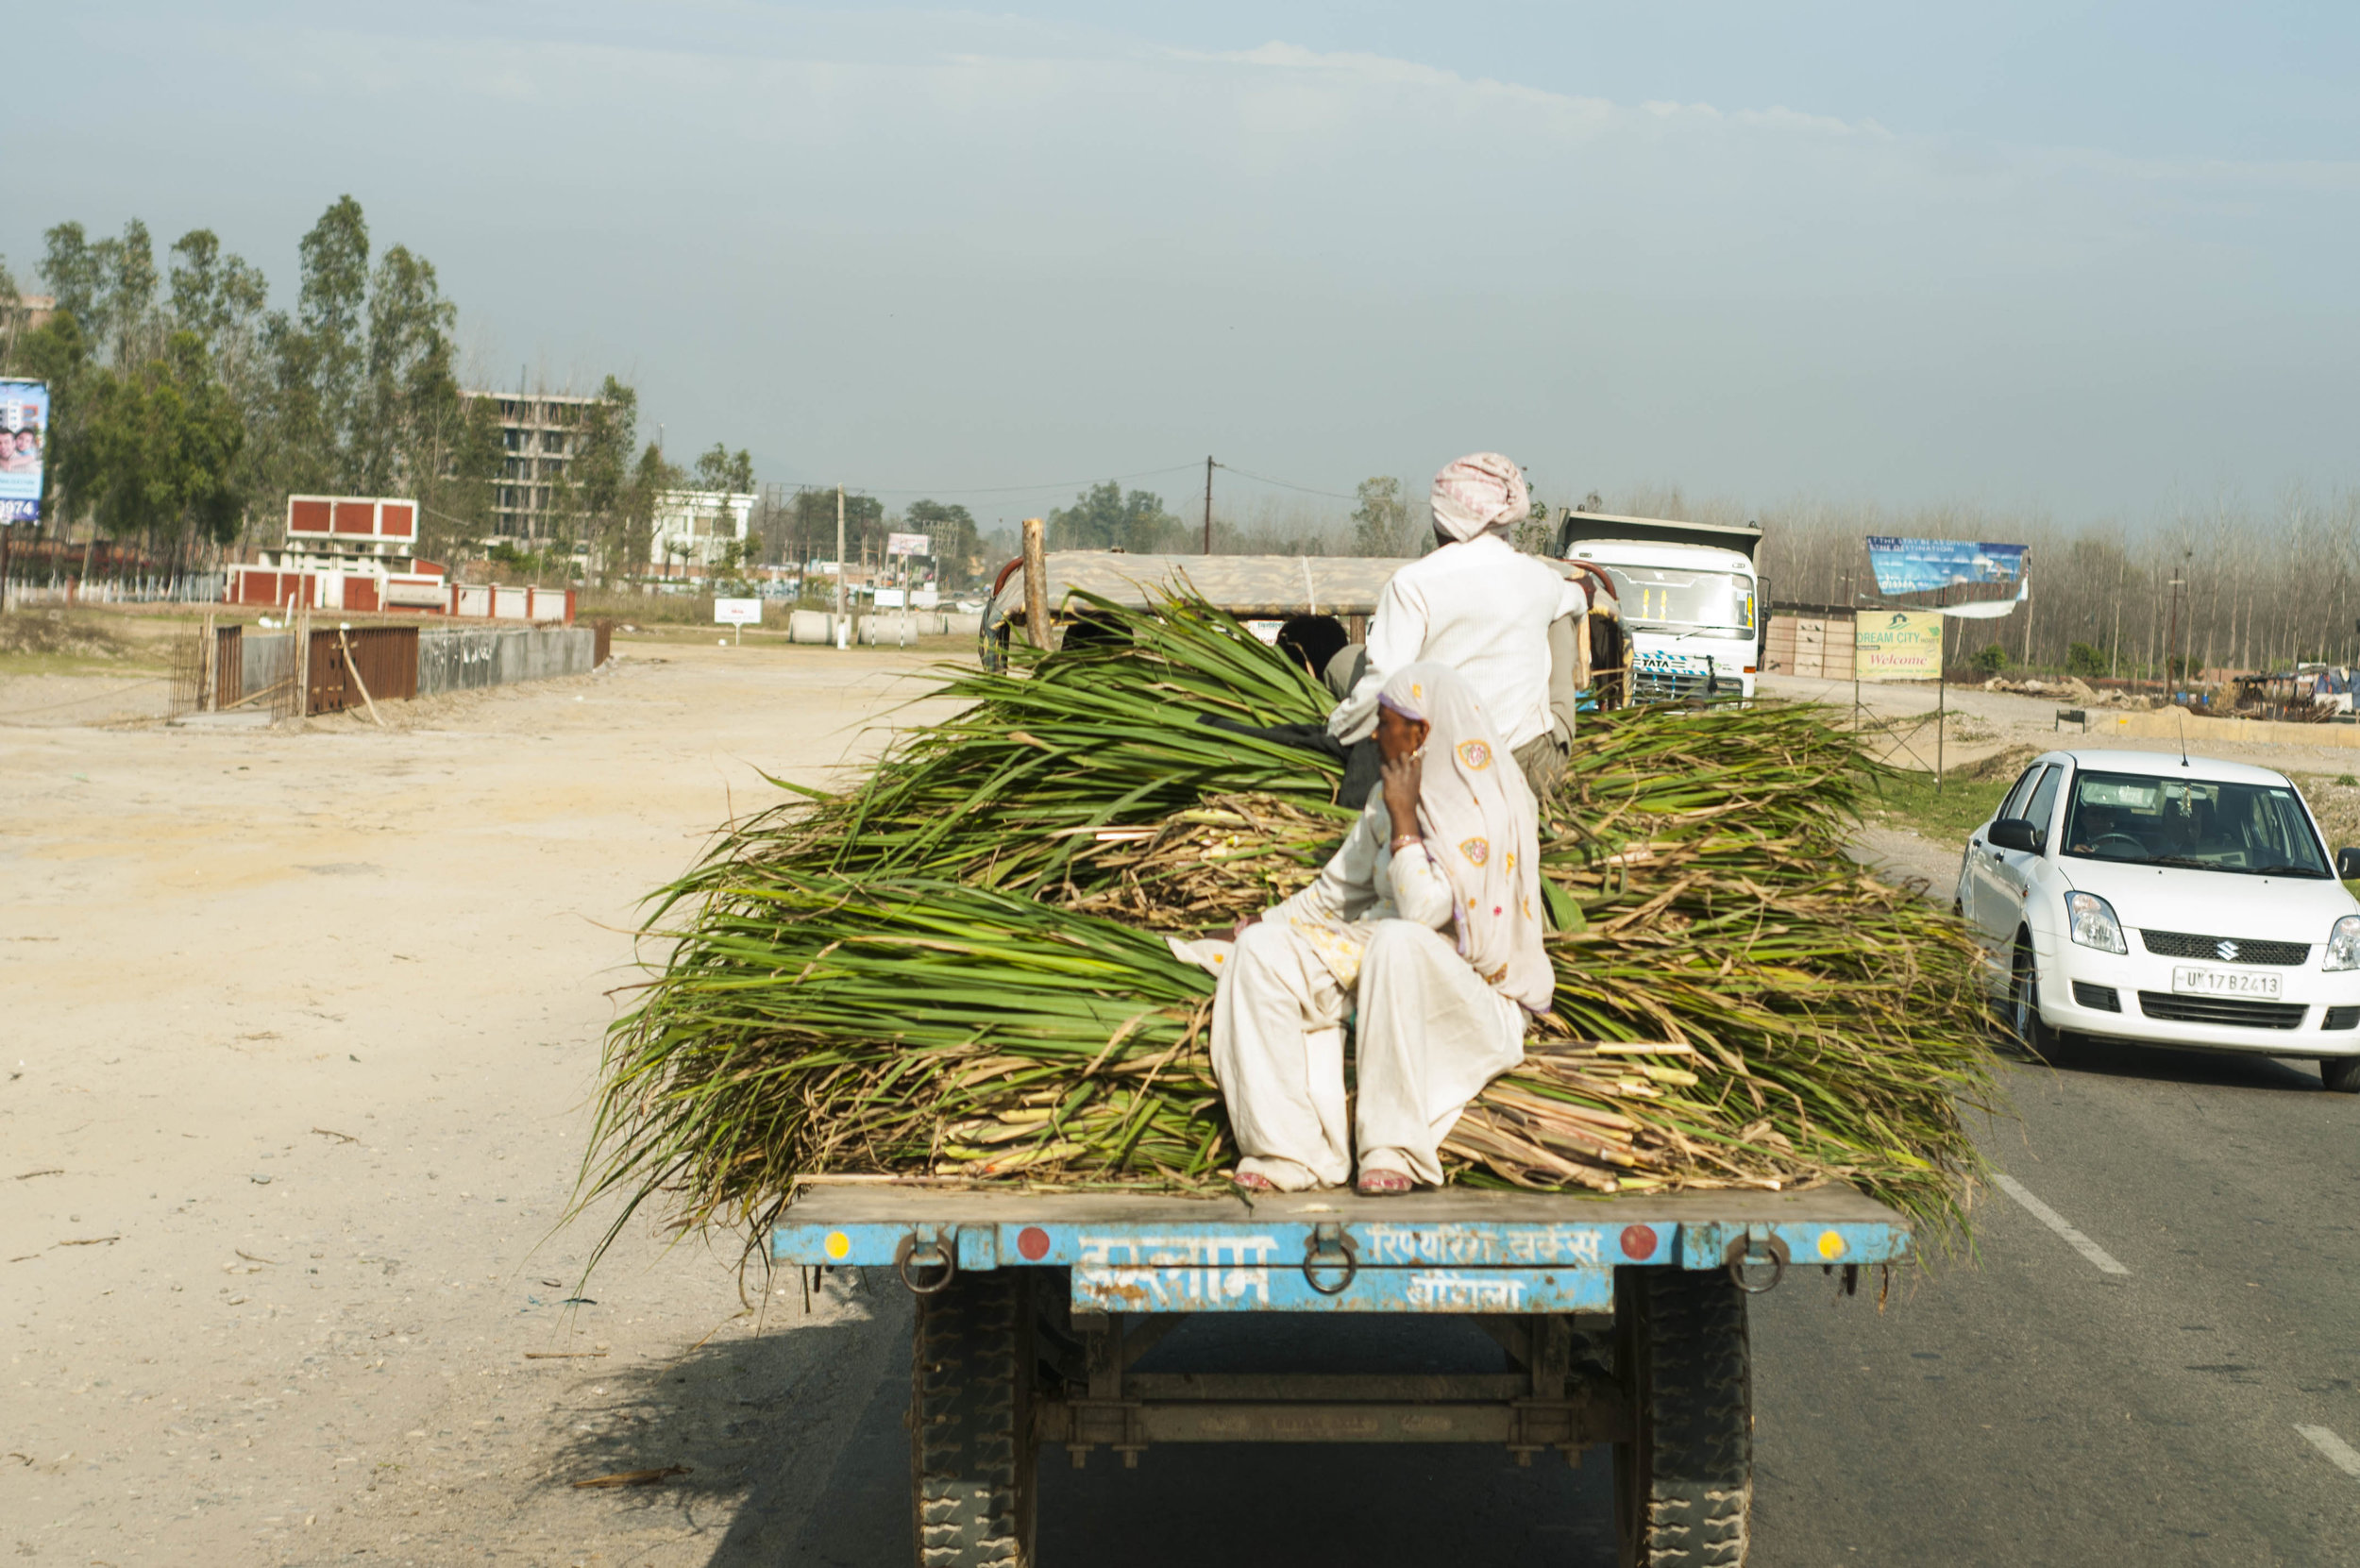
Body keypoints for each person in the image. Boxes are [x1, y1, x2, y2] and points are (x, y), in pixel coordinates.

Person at [1210, 663, 1552, 1195]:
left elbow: (1422, 915)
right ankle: (1286, 1149)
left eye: (1387, 721)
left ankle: (1393, 1147)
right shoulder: (1382, 799)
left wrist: (1406, 823)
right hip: (1383, 963)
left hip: (1468, 993)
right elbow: (1334, 894)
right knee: (1259, 953)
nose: (1375, 734)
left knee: (1398, 940)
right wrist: (1259, 923)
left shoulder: (1487, 814)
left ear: (1422, 732)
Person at [1327, 453, 1587, 794]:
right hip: (1529, 769)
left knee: (1350, 661)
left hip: (1439, 769)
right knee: (1561, 615)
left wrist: (1335, 730)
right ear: (1504, 521)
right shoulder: (1540, 578)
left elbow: (1384, 686)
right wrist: (1584, 593)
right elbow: (1577, 600)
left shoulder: (1412, 583)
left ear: (1440, 521)